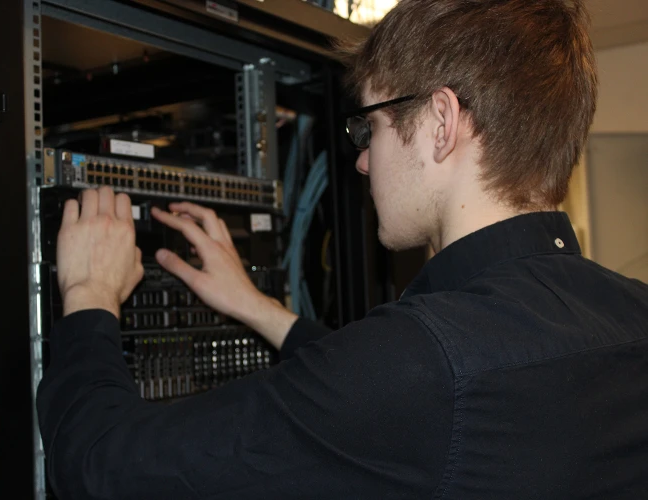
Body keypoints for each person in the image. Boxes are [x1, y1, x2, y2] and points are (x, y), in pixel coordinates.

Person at [37, 0, 648, 498]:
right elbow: (395, 395)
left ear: (441, 122)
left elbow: (97, 468)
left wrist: (89, 295)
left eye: (369, 126)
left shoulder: (420, 363)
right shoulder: (632, 315)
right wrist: (259, 310)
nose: (360, 159)